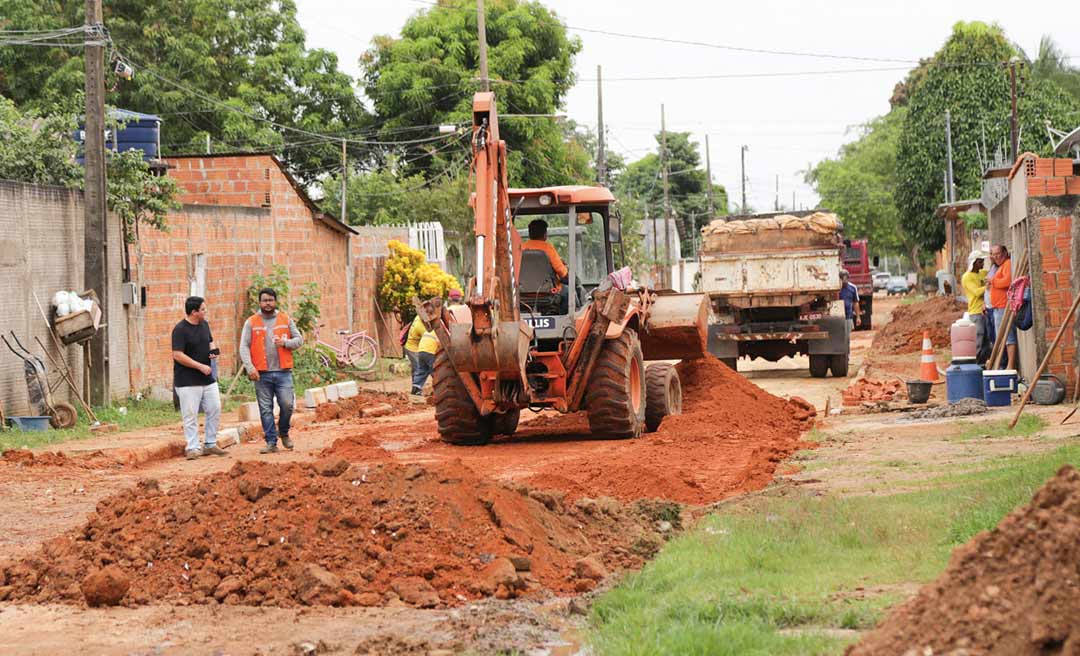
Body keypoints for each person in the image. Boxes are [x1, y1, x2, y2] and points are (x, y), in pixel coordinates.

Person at [240, 288, 303, 454]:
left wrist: (285, 343)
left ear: (275, 301)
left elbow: (299, 340)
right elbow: (244, 346)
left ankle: (283, 432)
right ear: (259, 302)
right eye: (264, 300)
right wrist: (250, 367)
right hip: (262, 373)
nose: (267, 303)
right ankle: (271, 442)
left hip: (283, 371)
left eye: (270, 300)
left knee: (287, 405)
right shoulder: (251, 322)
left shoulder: (285, 319)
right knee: (265, 409)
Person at [171, 296, 227, 460]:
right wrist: (199, 366)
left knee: (215, 408)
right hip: (188, 380)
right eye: (202, 309)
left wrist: (213, 352)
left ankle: (210, 443)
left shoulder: (204, 325)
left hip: (208, 378)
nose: (205, 311)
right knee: (190, 414)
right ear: (194, 312)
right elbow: (178, 355)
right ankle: (193, 446)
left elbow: (210, 342)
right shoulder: (180, 329)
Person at [522, 219, 570, 312]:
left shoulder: (520, 249)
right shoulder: (548, 248)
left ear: (529, 234)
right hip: (548, 294)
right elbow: (562, 273)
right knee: (567, 292)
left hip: (523, 296)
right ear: (545, 234)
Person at [988, 244, 1016, 371]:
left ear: (1004, 253)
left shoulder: (1008, 264)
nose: (996, 257)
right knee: (1001, 338)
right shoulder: (999, 267)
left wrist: (992, 281)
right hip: (998, 307)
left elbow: (1007, 282)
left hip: (1004, 307)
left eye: (998, 254)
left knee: (1008, 337)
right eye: (993, 254)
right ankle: (1000, 364)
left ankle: (1010, 365)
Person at [407, 297, 443, 396]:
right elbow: (439, 343)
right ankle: (439, 390)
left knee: (421, 370)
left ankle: (416, 388)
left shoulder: (425, 323)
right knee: (435, 371)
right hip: (430, 351)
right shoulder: (439, 326)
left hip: (421, 349)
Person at [961, 251, 989, 363]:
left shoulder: (982, 273)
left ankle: (981, 364)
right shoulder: (967, 277)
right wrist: (988, 285)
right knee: (979, 339)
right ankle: (974, 363)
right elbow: (977, 292)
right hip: (976, 312)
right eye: (980, 261)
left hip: (986, 310)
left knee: (987, 341)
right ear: (974, 262)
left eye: (983, 261)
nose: (982, 264)